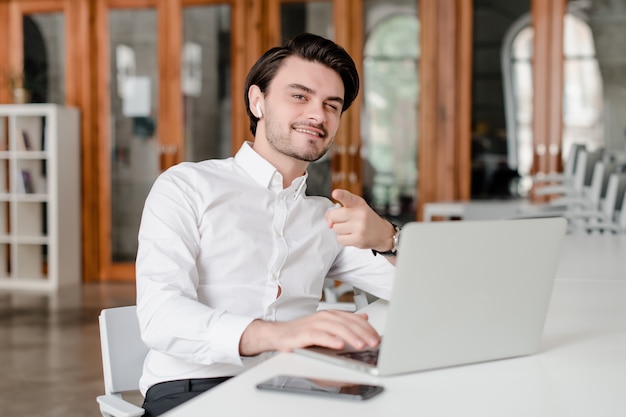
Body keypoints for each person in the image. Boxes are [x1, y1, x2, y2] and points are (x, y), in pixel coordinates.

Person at [135, 32, 399, 417]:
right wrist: (284, 334)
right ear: (257, 101)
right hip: (192, 389)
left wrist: (388, 237)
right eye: (300, 96)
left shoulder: (326, 216)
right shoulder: (185, 186)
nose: (317, 115)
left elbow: (419, 290)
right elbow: (160, 316)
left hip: (296, 385)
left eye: (332, 105)